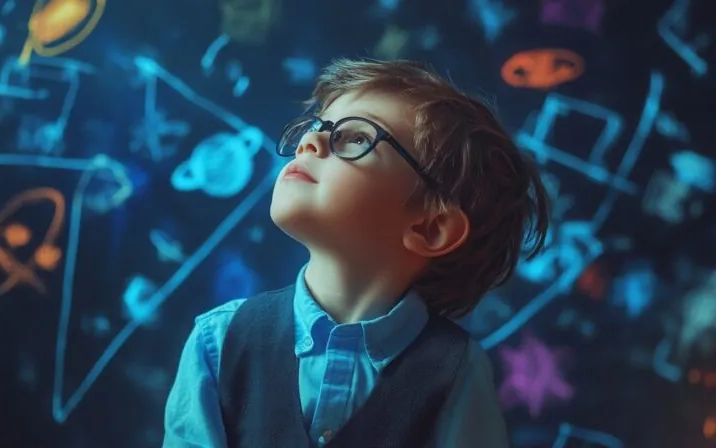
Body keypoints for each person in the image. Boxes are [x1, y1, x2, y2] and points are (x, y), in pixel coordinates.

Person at [163, 58, 550, 447]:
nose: (309, 142)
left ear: (429, 228)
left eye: (358, 137)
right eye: (316, 127)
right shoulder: (218, 339)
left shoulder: (457, 371)